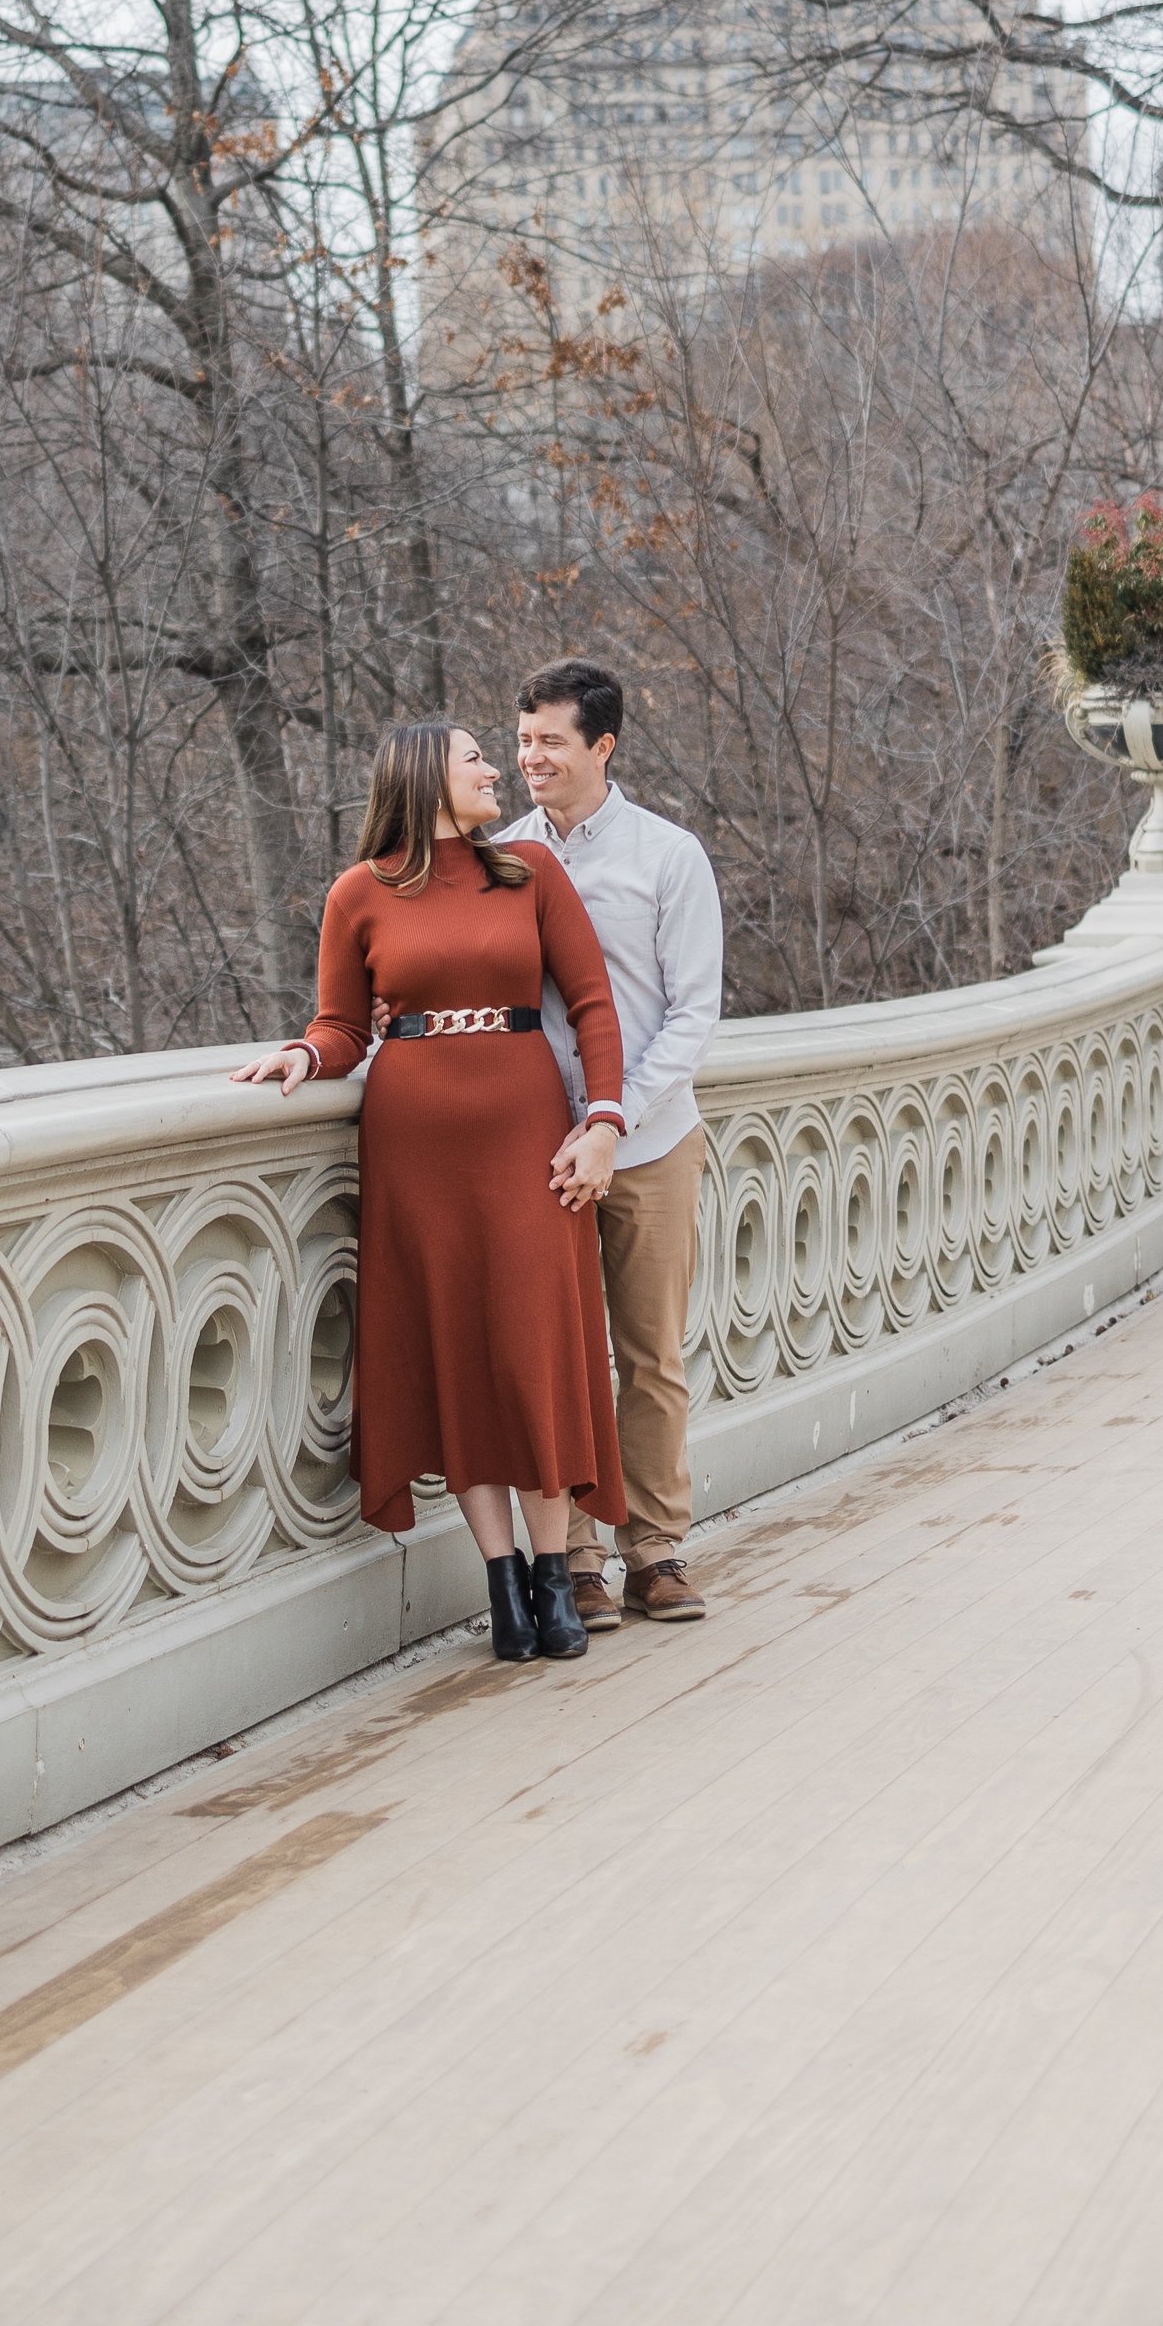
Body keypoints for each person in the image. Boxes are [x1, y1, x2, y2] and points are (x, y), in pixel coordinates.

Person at [230, 717, 631, 1663]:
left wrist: (604, 1118)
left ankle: (551, 1572)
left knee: (531, 1348)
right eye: (474, 760)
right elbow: (339, 1024)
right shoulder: (356, 894)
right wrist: (301, 1053)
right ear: (422, 778)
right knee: (455, 1349)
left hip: (527, 1138)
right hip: (413, 1145)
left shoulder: (532, 875)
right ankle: (501, 1588)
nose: (496, 769)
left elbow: (591, 1004)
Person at [499, 658, 725, 1630]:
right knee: (555, 1359)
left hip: (647, 1141)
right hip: (532, 1152)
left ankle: (656, 1550)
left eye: (549, 739)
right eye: (520, 740)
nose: (529, 757)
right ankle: (575, 1561)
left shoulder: (667, 855)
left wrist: (611, 1117)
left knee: (649, 1354)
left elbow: (692, 1013)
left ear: (602, 745)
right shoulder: (498, 855)